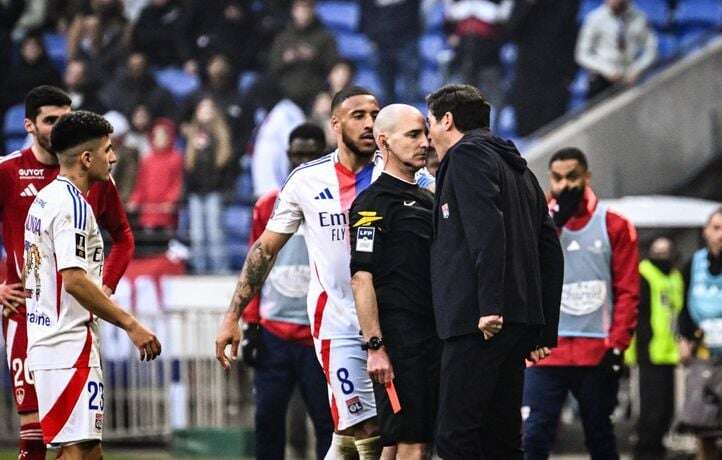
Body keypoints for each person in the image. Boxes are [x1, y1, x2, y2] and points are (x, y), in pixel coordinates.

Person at [216, 86, 386, 460]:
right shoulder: (306, 181)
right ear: (336, 124)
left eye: (375, 115)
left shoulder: (398, 176)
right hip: (337, 325)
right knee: (366, 431)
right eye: (359, 116)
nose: (370, 123)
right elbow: (263, 251)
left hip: (396, 326)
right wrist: (234, 317)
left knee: (371, 434)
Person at [426, 83, 564, 459]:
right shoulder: (520, 169)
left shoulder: (465, 156)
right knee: (502, 439)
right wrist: (543, 329)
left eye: (431, 123)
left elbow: (487, 232)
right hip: (517, 323)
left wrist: (489, 306)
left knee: (456, 435)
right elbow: (550, 249)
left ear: (448, 120)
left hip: (479, 322)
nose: (428, 136)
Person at [0, 85, 134, 460]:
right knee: (37, 436)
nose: (61, 124)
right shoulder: (9, 172)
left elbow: (123, 236)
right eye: (51, 119)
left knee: (83, 444)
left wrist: (105, 286)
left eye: (66, 117)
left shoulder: (94, 179)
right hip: (26, 316)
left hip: (76, 320)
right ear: (29, 125)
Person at [23, 110, 161, 459]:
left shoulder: (45, 198)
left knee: (87, 450)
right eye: (107, 149)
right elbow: (74, 281)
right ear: (87, 158)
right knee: (81, 451)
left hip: (50, 342)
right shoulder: (73, 207)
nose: (113, 157)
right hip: (68, 345)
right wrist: (131, 325)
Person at [522, 147, 640, 460]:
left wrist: (617, 344)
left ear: (586, 176)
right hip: (545, 352)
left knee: (600, 434)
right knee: (533, 435)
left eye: (572, 177)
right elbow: (521, 276)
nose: (564, 185)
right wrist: (551, 227)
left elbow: (628, 289)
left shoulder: (614, 224)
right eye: (557, 178)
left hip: (596, 352)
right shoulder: (534, 222)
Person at [349, 104, 441, 459]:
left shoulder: (429, 199)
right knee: (411, 442)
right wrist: (376, 347)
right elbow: (361, 278)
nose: (424, 143)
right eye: (413, 135)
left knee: (415, 440)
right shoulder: (372, 203)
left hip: (434, 334)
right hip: (401, 341)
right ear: (384, 141)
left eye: (425, 134)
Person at [240, 122, 333, 459]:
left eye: (311, 156)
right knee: (267, 420)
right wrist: (250, 324)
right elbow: (255, 265)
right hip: (273, 333)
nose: (302, 162)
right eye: (297, 155)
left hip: (319, 334)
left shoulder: (337, 205)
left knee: (329, 424)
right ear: (287, 157)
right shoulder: (268, 205)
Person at [625, 237, 683, 460]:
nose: (662, 255)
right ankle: (645, 452)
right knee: (651, 408)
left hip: (670, 351)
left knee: (667, 407)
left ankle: (657, 449)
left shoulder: (675, 276)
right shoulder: (643, 273)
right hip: (648, 351)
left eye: (666, 250)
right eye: (657, 251)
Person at [678, 208, 722, 460]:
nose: (720, 234)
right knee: (702, 425)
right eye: (715, 228)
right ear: (706, 232)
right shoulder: (693, 264)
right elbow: (683, 305)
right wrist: (684, 340)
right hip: (704, 354)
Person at [183, 97, 233, 274]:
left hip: (214, 190)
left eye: (208, 108)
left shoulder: (221, 136)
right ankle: (200, 269)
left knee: (215, 232)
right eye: (201, 109)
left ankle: (219, 269)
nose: (205, 112)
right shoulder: (192, 137)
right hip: (196, 191)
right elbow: (189, 167)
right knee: (197, 234)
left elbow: (224, 165)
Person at [576, 0, 658, 100]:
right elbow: (582, 54)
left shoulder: (639, 17)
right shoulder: (594, 19)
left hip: (630, 78)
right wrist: (607, 70)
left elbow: (652, 48)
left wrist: (638, 68)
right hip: (602, 79)